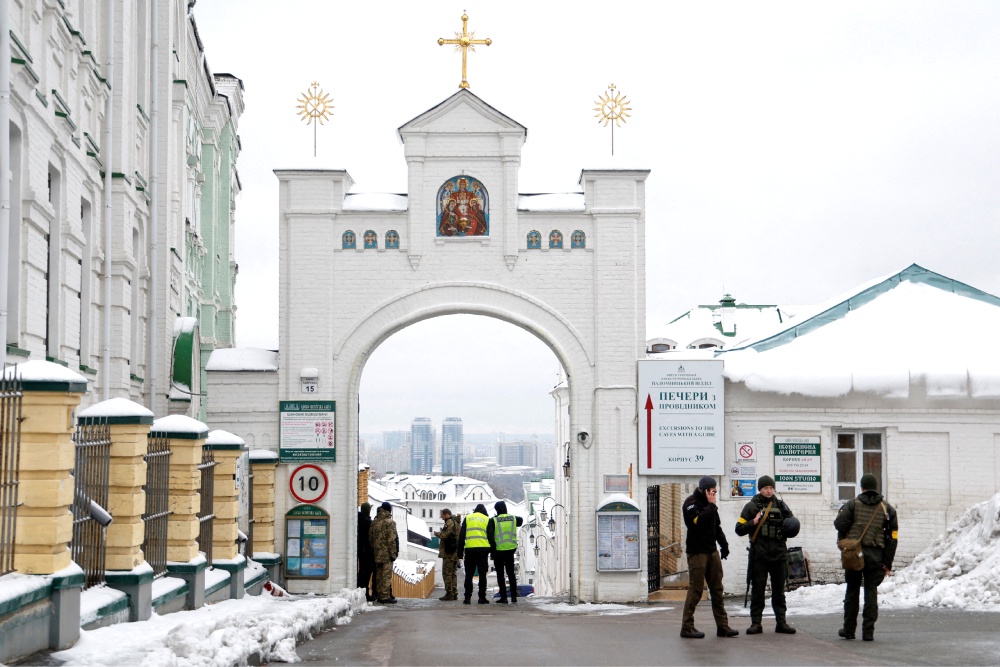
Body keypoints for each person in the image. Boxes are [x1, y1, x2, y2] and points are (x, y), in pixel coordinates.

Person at [834, 473, 898, 641]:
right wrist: (887, 563)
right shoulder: (887, 508)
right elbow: (893, 538)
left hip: (854, 555)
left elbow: (839, 524)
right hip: (876, 556)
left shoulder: (852, 505)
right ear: (876, 488)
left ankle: (849, 630)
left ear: (862, 488)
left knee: (852, 591)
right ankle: (868, 632)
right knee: (871, 592)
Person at [735, 475, 797, 635]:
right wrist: (753, 522)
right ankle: (756, 623)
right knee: (758, 590)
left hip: (778, 554)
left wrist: (791, 526)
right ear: (760, 489)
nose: (769, 491)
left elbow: (791, 526)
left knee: (779, 591)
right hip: (759, 555)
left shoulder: (781, 505)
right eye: (765, 488)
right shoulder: (751, 506)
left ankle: (781, 622)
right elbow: (739, 529)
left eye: (771, 488)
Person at [680, 476, 739, 639]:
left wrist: (724, 545)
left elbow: (716, 526)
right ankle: (687, 626)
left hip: (711, 551)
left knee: (717, 589)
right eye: (712, 491)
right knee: (696, 589)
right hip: (697, 552)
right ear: (704, 490)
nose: (714, 494)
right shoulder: (691, 503)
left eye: (715, 491)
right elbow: (697, 522)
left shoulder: (710, 506)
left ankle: (723, 626)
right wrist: (711, 505)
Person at [488, 501, 523, 604]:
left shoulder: (493, 520)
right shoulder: (513, 518)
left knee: (500, 574)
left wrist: (493, 551)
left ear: (497, 510)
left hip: (499, 551)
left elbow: (490, 537)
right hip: (510, 550)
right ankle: (513, 596)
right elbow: (520, 520)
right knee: (511, 574)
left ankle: (503, 597)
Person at [458, 503, 491, 604]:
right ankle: (482, 598)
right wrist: (492, 551)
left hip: (470, 550)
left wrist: (459, 552)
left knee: (469, 575)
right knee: (482, 575)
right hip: (483, 551)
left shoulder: (468, 518)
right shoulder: (487, 519)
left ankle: (467, 598)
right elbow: (490, 536)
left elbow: (462, 536)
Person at [369, 501, 399, 604]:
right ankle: (384, 596)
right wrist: (393, 554)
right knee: (386, 575)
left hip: (377, 553)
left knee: (378, 574)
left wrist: (376, 549)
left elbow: (371, 538)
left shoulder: (375, 522)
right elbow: (391, 540)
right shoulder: (390, 522)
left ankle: (378, 594)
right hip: (386, 554)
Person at [434, 508, 460, 601]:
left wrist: (437, 533)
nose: (441, 517)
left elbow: (444, 535)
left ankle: (449, 593)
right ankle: (454, 592)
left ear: (446, 514)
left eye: (442, 515)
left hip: (449, 552)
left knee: (447, 573)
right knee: (453, 573)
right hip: (455, 552)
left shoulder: (449, 522)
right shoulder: (456, 523)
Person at [357, 502, 377, 601]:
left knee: (362, 571)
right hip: (367, 551)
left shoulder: (358, 519)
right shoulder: (368, 522)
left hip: (360, 550)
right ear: (368, 510)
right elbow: (372, 537)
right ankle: (365, 593)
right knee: (366, 572)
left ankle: (361, 591)